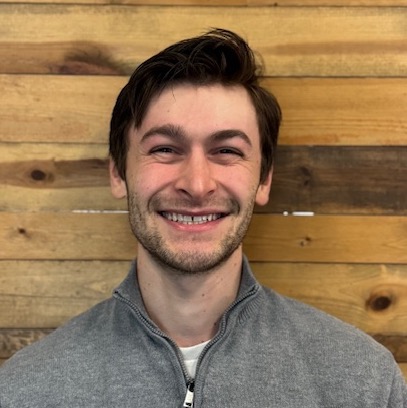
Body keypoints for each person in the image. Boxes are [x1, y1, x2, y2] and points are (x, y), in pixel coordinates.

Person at [0, 28, 406, 408]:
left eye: (227, 150)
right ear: (118, 172)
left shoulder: (363, 383)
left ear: (263, 180)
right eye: (164, 149)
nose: (197, 184)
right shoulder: (27, 390)